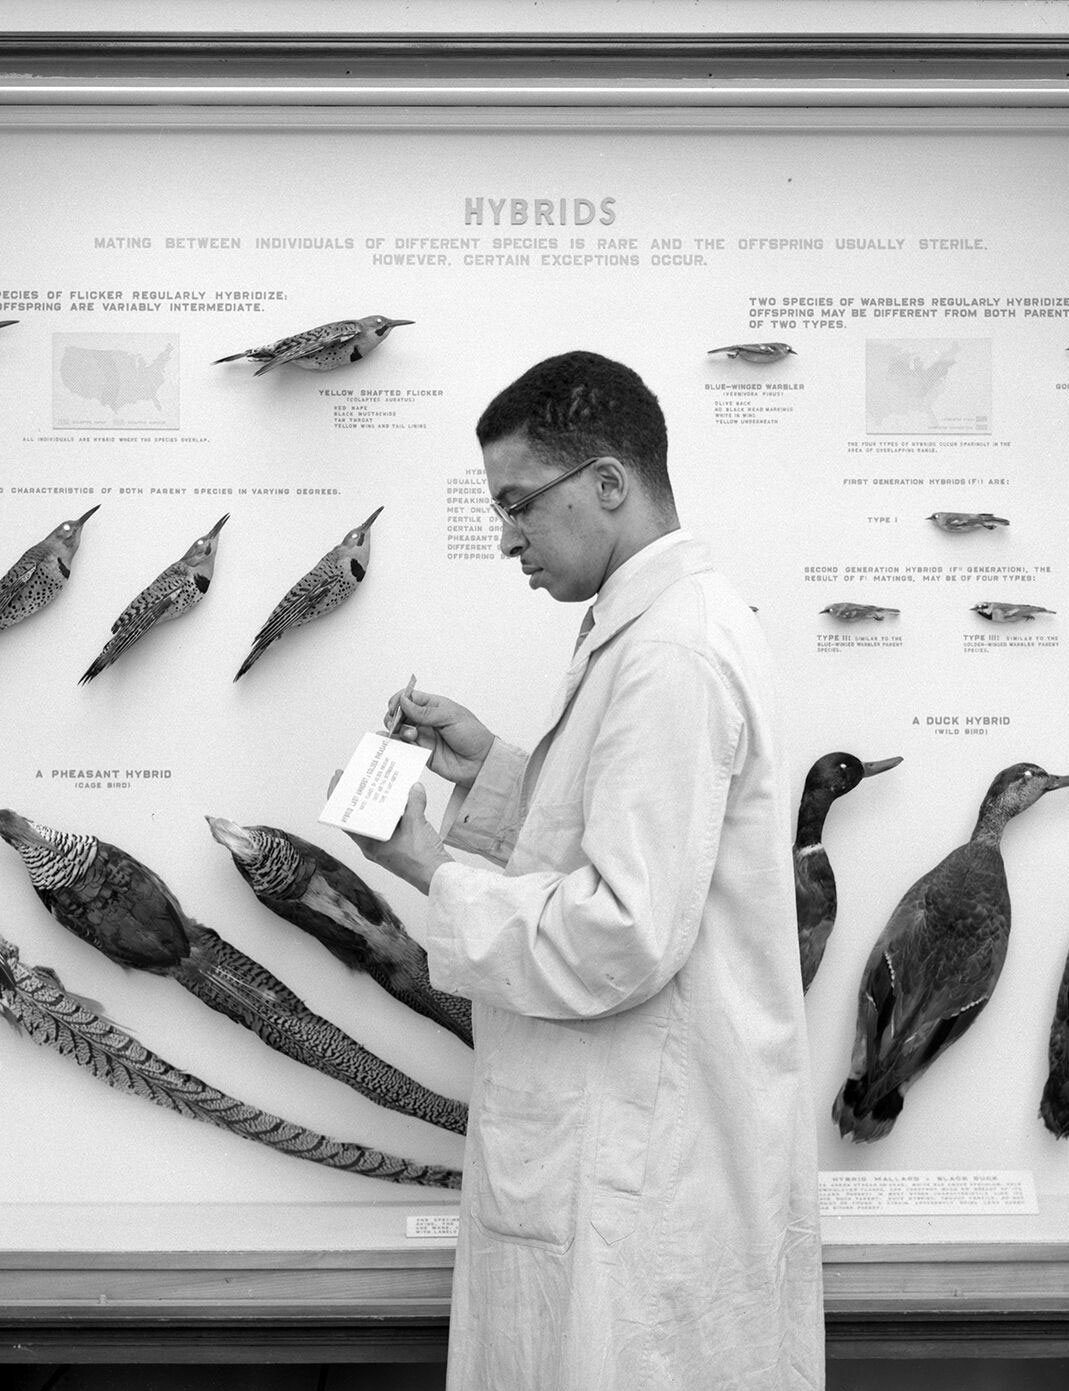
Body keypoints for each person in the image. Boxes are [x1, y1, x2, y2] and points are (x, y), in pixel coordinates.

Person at [344, 350, 824, 1387]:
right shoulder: (650, 631)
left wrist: (428, 862)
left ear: (607, 482)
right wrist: (496, 774)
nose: (506, 535)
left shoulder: (669, 652)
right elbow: (643, 844)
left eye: (518, 503)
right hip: (630, 1159)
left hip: (643, 1178)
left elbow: (624, 931)